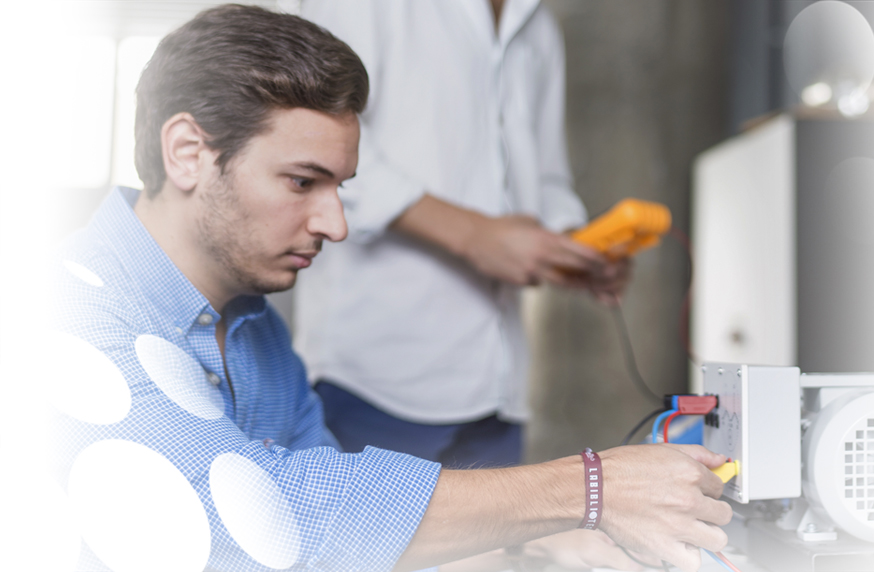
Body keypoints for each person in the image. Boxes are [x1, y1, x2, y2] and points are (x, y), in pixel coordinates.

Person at [44, 5, 730, 572]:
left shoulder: (256, 331)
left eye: (340, 187)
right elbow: (257, 525)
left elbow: (346, 526)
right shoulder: (68, 316)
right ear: (189, 153)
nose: (337, 223)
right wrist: (587, 488)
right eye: (302, 182)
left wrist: (534, 538)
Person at [294, 0, 631, 467]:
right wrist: (474, 236)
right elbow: (308, 139)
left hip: (500, 387)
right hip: (375, 376)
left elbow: (545, 176)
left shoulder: (538, 25)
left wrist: (575, 245)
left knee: (498, 543)